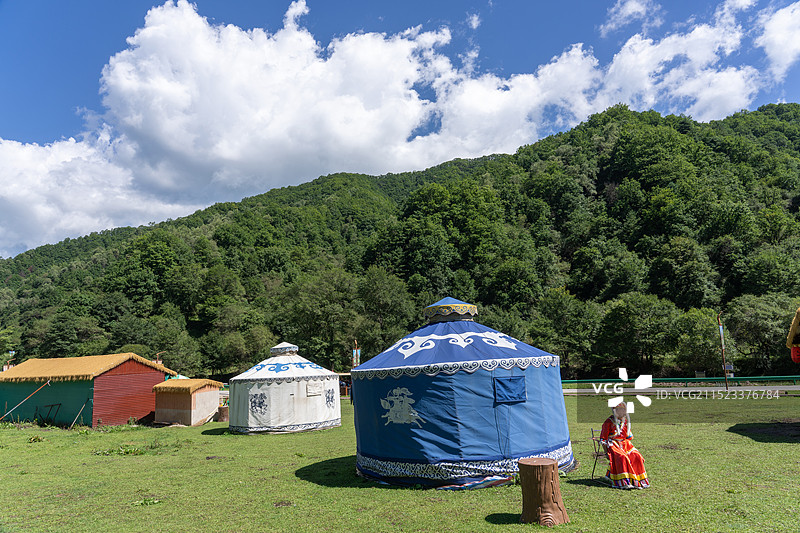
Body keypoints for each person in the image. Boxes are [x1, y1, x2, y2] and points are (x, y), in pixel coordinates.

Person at [599, 402, 649, 489]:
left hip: (625, 444)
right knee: (622, 457)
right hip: (613, 444)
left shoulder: (625, 421)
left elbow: (628, 437)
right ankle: (624, 481)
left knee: (637, 456)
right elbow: (603, 439)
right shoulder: (608, 422)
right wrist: (606, 452)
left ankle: (636, 480)